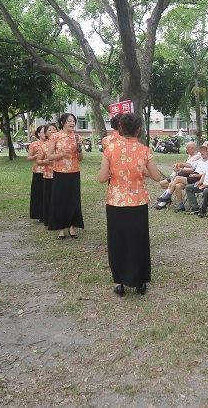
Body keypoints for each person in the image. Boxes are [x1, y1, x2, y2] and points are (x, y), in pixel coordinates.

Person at [98, 112, 161, 297]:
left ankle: (119, 281)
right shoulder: (145, 151)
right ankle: (140, 280)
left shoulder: (110, 149)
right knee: (138, 240)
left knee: (117, 241)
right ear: (138, 130)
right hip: (137, 202)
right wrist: (143, 171)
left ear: (120, 129)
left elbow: (102, 178)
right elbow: (156, 177)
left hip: (116, 201)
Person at [47, 113, 84, 239]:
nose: (72, 123)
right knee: (60, 200)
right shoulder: (55, 137)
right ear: (63, 122)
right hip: (60, 172)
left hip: (74, 171)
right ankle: (61, 229)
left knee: (73, 200)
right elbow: (49, 156)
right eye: (69, 121)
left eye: (73, 121)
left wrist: (79, 148)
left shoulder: (77, 137)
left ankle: (72, 227)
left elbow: (80, 158)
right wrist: (61, 154)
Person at [186, 142, 208, 217]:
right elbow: (204, 174)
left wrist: (207, 185)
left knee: (207, 190)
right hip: (205, 183)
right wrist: (200, 182)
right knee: (189, 188)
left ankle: (203, 210)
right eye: (207, 148)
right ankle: (195, 208)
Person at [37, 124, 57, 227]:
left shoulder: (62, 143)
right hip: (49, 175)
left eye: (54, 129)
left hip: (62, 175)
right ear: (45, 133)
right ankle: (49, 219)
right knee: (49, 198)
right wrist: (47, 161)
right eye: (50, 130)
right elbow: (38, 162)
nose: (52, 131)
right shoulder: (44, 145)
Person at [27, 125, 47, 222]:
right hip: (38, 171)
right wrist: (36, 156)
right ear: (38, 134)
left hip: (50, 171)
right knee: (38, 193)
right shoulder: (34, 144)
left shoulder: (51, 143)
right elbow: (29, 158)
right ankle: (39, 214)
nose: (45, 134)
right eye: (43, 132)